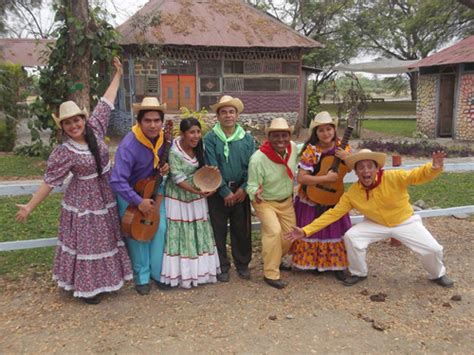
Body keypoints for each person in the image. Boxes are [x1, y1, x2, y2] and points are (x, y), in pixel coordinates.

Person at [15, 57, 132, 304]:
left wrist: (118, 74)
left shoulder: (96, 127)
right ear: (63, 127)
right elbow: (50, 181)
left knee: (107, 238)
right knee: (90, 243)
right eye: (67, 123)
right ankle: (89, 287)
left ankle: (106, 281)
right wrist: (29, 206)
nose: (73, 125)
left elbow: (107, 101)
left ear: (83, 118)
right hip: (84, 201)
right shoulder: (64, 151)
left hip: (104, 194)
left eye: (76, 120)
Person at [287, 149, 454, 288]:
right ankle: (359, 272)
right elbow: (332, 214)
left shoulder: (393, 177)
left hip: (405, 221)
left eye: (369, 166)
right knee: (352, 236)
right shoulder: (353, 193)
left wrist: (434, 167)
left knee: (434, 249)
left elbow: (416, 175)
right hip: (375, 224)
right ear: (356, 171)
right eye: (361, 167)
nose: (366, 171)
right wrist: (305, 230)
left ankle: (437, 274)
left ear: (377, 168)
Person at [110, 97, 170, 296]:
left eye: (156, 120)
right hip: (131, 195)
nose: (153, 125)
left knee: (159, 229)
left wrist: (165, 168)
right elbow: (117, 180)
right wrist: (138, 201)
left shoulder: (162, 140)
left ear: (162, 121)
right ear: (139, 122)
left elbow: (160, 165)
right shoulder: (129, 145)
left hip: (154, 190)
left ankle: (158, 273)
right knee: (137, 234)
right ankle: (141, 276)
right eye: (148, 121)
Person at [160, 118, 221, 288]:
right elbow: (178, 179)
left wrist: (211, 175)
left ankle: (200, 272)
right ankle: (181, 274)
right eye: (191, 132)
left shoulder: (200, 148)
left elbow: (203, 169)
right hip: (179, 198)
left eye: (198, 132)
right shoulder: (174, 152)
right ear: (183, 134)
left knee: (198, 231)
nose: (196, 136)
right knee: (180, 233)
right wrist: (198, 192)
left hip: (197, 195)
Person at [291, 112, 352, 280]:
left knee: (335, 229)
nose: (326, 133)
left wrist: (348, 158)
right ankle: (314, 263)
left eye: (329, 129)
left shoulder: (342, 147)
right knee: (313, 230)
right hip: (312, 196)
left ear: (334, 129)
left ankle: (338, 265)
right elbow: (302, 178)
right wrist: (325, 178)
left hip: (334, 196)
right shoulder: (312, 150)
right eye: (321, 130)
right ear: (315, 133)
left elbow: (355, 168)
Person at [204, 95, 255, 282]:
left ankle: (242, 264)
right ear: (218, 116)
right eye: (223, 112)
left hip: (241, 192)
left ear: (237, 115)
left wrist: (243, 188)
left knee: (242, 229)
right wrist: (224, 191)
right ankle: (222, 265)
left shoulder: (247, 139)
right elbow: (211, 165)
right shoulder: (210, 138)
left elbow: (253, 166)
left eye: (231, 112)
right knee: (218, 230)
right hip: (218, 192)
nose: (228, 115)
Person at [246, 118, 298, 289]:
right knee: (274, 232)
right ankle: (271, 274)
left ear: (289, 136)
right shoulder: (258, 159)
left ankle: (274, 259)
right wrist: (255, 193)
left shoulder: (293, 149)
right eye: (276, 136)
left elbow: (312, 148)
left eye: (284, 135)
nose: (281, 139)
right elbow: (251, 185)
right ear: (269, 137)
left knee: (290, 236)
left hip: (286, 201)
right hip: (265, 201)